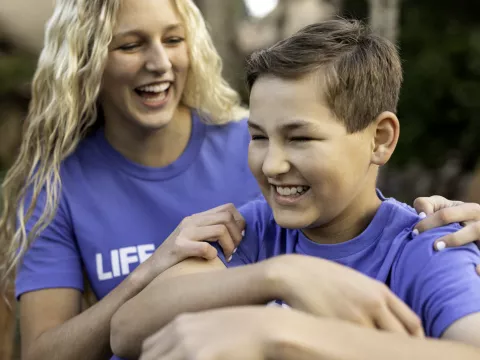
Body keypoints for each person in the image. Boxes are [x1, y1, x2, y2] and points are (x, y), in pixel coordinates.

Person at [0, 1, 478, 359]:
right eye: (259, 137)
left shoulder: (426, 246)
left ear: (380, 138)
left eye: (300, 138)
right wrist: (279, 276)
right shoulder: (254, 230)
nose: (271, 165)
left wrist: (277, 333)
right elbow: (127, 328)